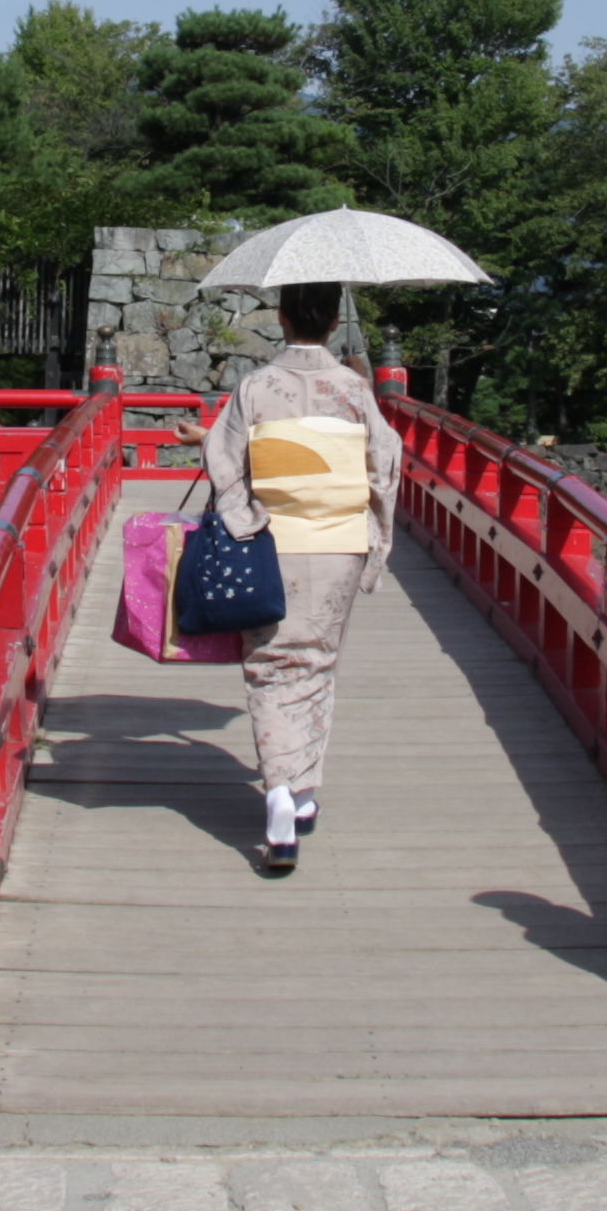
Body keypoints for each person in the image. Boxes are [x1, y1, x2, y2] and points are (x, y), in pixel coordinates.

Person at [200, 280, 404, 872]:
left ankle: (283, 795)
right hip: (338, 544)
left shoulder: (257, 386)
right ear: (335, 323)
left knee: (271, 665)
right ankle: (302, 792)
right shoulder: (354, 387)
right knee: (317, 660)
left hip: (272, 543)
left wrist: (244, 521)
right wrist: (376, 535)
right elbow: (383, 464)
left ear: (281, 317)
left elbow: (224, 461)